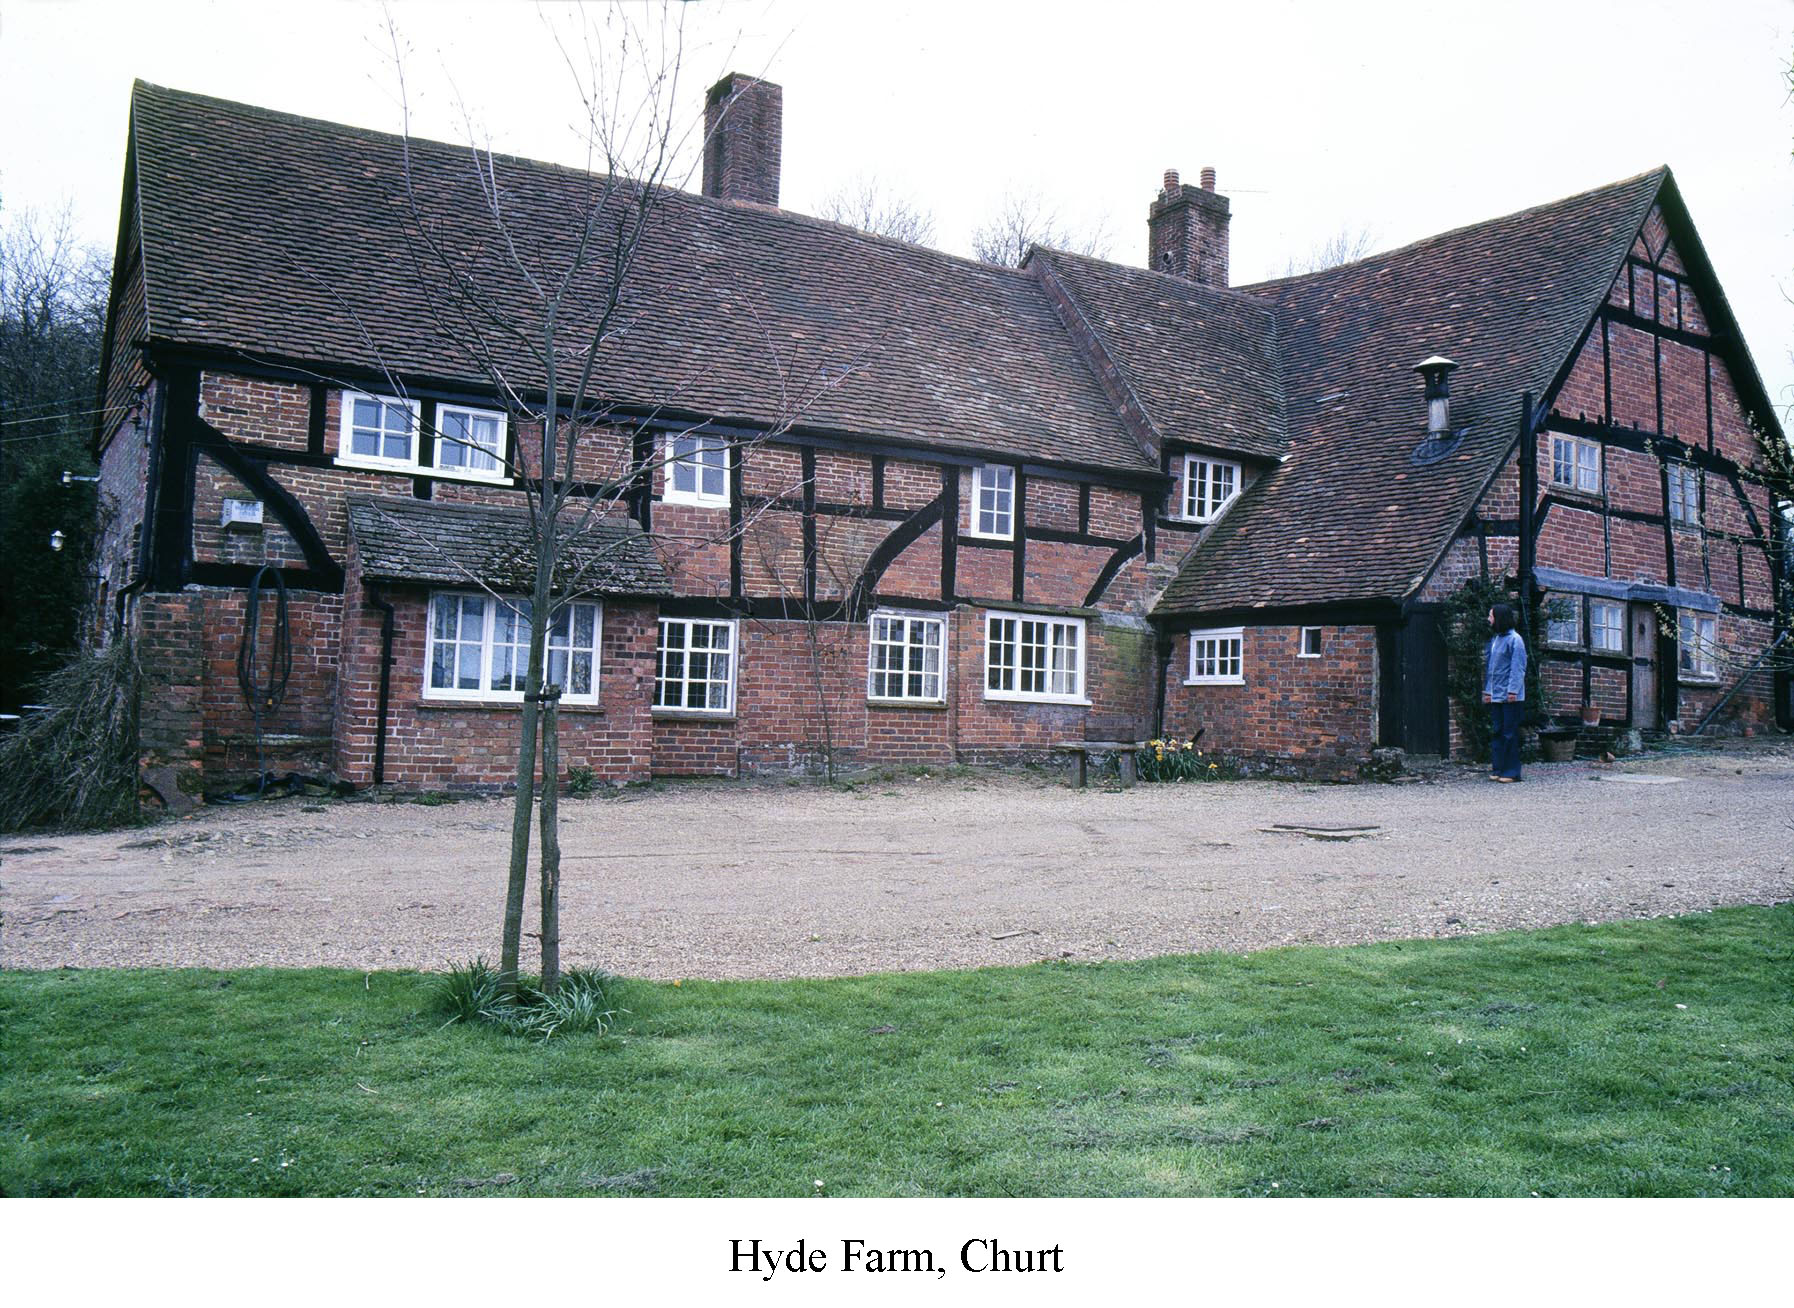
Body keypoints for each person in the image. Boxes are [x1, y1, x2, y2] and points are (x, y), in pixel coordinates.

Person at [1484, 602, 1528, 782]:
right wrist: (1488, 691)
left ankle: (1511, 772)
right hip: (1495, 695)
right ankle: (1498, 768)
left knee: (1509, 733)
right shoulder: (1495, 640)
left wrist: (1513, 691)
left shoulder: (1515, 640)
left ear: (1499, 618)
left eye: (1491, 616)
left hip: (1510, 697)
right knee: (1497, 731)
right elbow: (1490, 669)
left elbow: (1518, 668)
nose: (1489, 619)